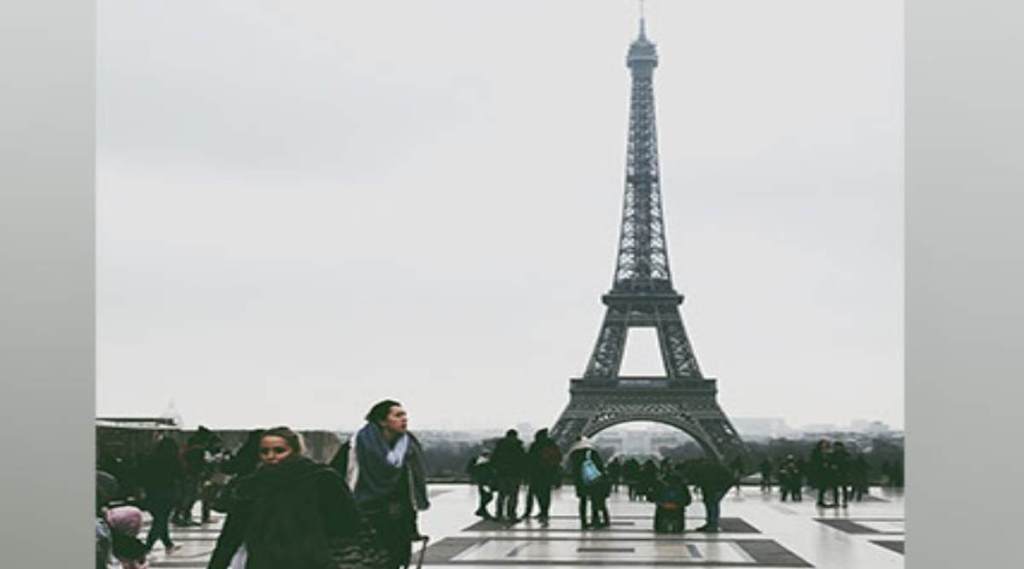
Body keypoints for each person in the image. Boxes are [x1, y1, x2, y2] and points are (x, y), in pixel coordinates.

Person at [208, 426, 365, 569]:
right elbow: (231, 534)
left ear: (295, 450)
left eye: (279, 450)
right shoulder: (251, 485)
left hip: (314, 561)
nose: (271, 456)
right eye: (265, 451)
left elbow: (348, 525)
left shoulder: (322, 479)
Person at [332, 400, 430, 569]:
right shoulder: (356, 445)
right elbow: (335, 478)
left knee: (395, 561)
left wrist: (411, 523)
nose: (404, 419)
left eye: (405, 415)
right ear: (382, 421)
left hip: (398, 519)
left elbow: (410, 487)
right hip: (366, 516)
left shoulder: (409, 446)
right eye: (398, 415)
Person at [140, 436, 184, 554]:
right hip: (167, 492)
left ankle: (168, 544)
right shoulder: (173, 459)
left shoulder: (150, 458)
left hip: (152, 492)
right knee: (160, 520)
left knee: (160, 519)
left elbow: (141, 474)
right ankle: (147, 547)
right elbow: (180, 474)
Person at [568, 437, 611, 529]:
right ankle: (595, 520)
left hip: (581, 481)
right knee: (595, 501)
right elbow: (600, 467)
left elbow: (572, 470)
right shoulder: (592, 453)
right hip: (594, 480)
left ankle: (583, 522)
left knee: (583, 501)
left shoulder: (574, 454)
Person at [524, 428, 562, 525]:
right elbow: (558, 458)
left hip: (536, 473)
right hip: (547, 473)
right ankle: (544, 511)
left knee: (532, 493)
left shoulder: (535, 445)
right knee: (545, 494)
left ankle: (529, 511)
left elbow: (529, 459)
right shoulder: (551, 445)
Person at [688, 457, 736, 533]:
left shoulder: (703, 469)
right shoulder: (704, 467)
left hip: (719, 485)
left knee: (712, 503)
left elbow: (705, 480)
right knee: (711, 502)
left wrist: (699, 487)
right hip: (718, 484)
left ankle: (712, 524)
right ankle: (711, 523)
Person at [490, 429, 527, 521]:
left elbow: (493, 460)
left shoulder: (500, 447)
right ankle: (511, 514)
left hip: (503, 474)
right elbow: (523, 461)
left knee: (502, 495)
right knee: (513, 495)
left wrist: (497, 470)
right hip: (514, 474)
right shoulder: (518, 447)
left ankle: (499, 514)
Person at [653, 465, 692, 533]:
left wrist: (659, 502)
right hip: (678, 506)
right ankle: (677, 527)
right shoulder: (681, 484)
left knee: (661, 516)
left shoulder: (661, 483)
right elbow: (687, 498)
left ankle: (661, 527)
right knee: (679, 516)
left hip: (663, 506)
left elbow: (654, 495)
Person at [466, 449, 496, 520]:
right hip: (484, 482)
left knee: (485, 496)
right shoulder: (484, 462)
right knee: (488, 496)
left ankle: (482, 510)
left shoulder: (479, 461)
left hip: (481, 481)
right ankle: (481, 509)